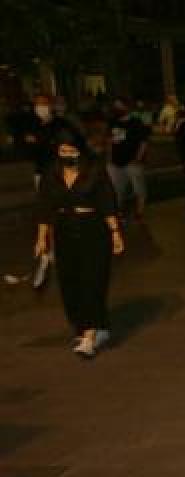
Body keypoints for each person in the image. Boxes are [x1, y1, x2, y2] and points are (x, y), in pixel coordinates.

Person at [34, 132, 125, 358]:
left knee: (92, 281)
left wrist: (115, 233)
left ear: (81, 151)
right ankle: (90, 325)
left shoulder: (94, 170)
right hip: (64, 230)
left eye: (72, 151)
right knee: (69, 282)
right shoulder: (50, 174)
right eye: (63, 151)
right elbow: (44, 206)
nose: (67, 156)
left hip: (93, 230)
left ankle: (89, 335)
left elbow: (107, 202)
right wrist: (41, 237)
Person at [106, 99, 151, 221]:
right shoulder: (113, 122)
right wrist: (109, 157)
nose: (117, 109)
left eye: (120, 106)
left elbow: (143, 142)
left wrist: (137, 158)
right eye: (115, 106)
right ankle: (118, 211)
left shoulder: (136, 122)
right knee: (116, 189)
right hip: (115, 162)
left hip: (132, 162)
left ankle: (139, 212)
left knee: (138, 188)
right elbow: (110, 141)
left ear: (126, 107)